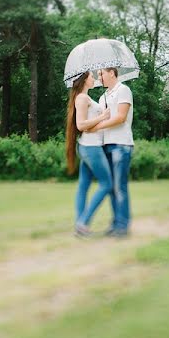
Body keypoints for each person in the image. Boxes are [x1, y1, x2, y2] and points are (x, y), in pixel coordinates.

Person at [65, 71, 111, 237]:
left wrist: (102, 114)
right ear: (84, 80)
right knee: (107, 184)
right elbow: (81, 125)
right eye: (92, 76)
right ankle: (83, 223)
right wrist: (103, 117)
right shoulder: (82, 98)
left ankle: (80, 225)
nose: (94, 78)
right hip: (91, 147)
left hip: (87, 146)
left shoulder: (85, 97)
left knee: (83, 186)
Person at [90, 66, 134, 237]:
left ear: (111, 73)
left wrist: (98, 125)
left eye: (101, 73)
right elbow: (101, 120)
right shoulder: (102, 97)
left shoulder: (124, 90)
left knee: (119, 186)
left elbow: (121, 117)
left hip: (121, 144)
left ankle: (123, 226)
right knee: (110, 187)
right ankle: (116, 223)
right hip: (106, 145)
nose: (99, 77)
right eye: (98, 74)